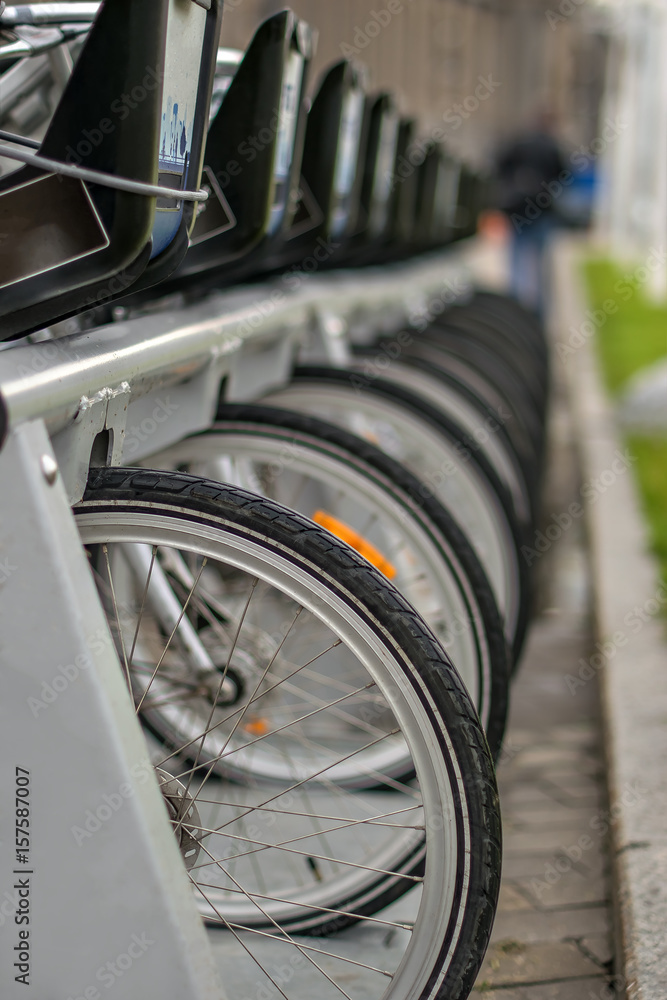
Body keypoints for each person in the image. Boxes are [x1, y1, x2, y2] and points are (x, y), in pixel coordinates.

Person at [494, 112, 566, 318]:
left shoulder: (519, 143)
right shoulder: (552, 147)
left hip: (518, 209)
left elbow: (499, 165)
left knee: (517, 259)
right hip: (542, 210)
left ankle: (515, 308)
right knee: (540, 263)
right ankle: (539, 313)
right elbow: (563, 174)